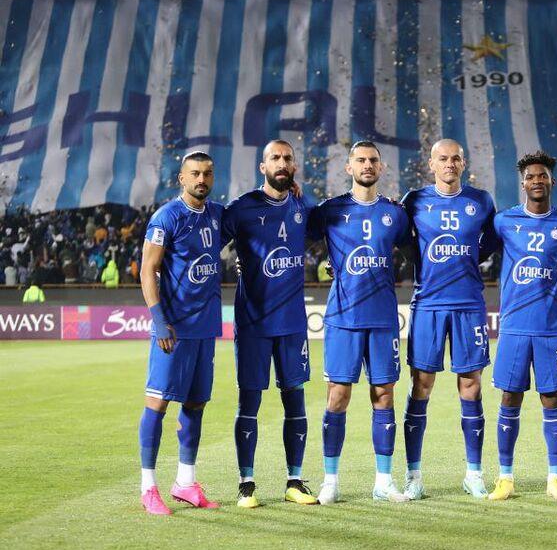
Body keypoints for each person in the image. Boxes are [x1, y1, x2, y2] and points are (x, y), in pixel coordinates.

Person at [309, 141, 413, 505]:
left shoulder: (395, 213)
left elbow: (415, 253)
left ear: (381, 168)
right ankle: (330, 481)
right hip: (343, 318)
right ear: (349, 167)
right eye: (360, 160)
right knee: (337, 396)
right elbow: (292, 234)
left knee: (383, 394)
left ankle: (383, 481)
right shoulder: (329, 210)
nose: (367, 165)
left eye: (373, 160)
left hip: (383, 318)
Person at [220, 139, 317, 508]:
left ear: (294, 166)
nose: (282, 162)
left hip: (292, 323)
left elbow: (334, 234)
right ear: (263, 167)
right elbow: (208, 243)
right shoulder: (242, 208)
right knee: (249, 401)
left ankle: (295, 481)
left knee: (296, 401)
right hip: (253, 323)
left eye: (287, 158)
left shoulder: (303, 206)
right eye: (275, 157)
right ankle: (246, 484)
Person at [400, 139, 497, 500]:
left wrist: (468, 256)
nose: (450, 164)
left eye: (456, 158)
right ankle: (414, 475)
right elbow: (398, 238)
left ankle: (474, 474)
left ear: (463, 163)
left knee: (471, 386)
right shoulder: (414, 200)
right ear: (432, 164)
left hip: (469, 303)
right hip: (428, 304)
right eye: (443, 158)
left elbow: (492, 241)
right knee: (421, 385)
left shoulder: (481, 201)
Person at [487, 151, 557, 502]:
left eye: (542, 176)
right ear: (523, 183)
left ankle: (554, 478)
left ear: (551, 181)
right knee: (509, 397)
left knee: (551, 397)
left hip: (549, 328)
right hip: (513, 326)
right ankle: (505, 478)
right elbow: (474, 252)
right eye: (530, 177)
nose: (536, 181)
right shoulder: (503, 222)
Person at [136, 152, 224, 515]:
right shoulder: (166, 217)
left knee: (196, 403)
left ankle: (185, 483)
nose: (201, 179)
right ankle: (148, 488)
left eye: (207, 174)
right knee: (157, 404)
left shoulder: (217, 215)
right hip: (173, 329)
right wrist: (159, 320)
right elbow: (148, 270)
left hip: (205, 328)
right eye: (195, 173)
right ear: (181, 179)